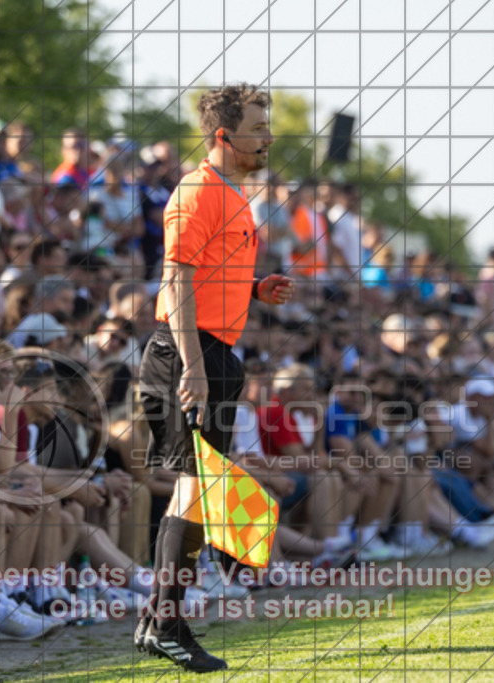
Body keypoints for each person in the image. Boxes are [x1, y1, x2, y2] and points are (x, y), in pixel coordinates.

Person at [134, 83, 293, 673]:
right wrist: (195, 370)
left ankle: (158, 621)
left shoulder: (233, 192)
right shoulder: (197, 191)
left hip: (213, 352)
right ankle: (166, 625)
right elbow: (175, 280)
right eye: (257, 128)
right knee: (196, 492)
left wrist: (253, 289)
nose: (268, 138)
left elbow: (205, 275)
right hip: (189, 354)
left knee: (198, 492)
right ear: (224, 136)